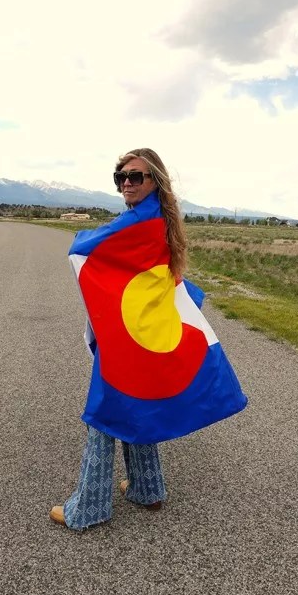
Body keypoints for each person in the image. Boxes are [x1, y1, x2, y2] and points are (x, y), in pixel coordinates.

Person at [50, 148, 246, 531]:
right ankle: (147, 489)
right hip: (148, 329)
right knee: (135, 401)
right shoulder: (160, 218)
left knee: (105, 409)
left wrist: (83, 235)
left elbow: (84, 247)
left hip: (131, 334)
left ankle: (88, 508)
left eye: (135, 176)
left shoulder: (139, 221)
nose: (127, 182)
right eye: (120, 176)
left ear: (154, 180)